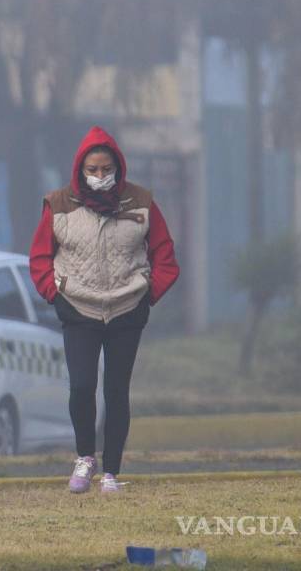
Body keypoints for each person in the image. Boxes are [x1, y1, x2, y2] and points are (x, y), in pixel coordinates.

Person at [29, 126, 179, 494]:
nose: (99, 176)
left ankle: (111, 472)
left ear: (118, 167)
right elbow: (39, 258)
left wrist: (147, 294)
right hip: (78, 308)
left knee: (116, 390)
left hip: (127, 309)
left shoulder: (141, 203)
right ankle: (84, 458)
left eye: (106, 168)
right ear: (80, 169)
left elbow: (166, 258)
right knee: (82, 386)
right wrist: (55, 293)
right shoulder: (58, 204)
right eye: (92, 169)